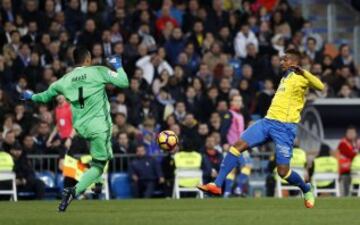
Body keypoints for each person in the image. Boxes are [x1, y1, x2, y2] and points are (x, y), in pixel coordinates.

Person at [198, 49, 324, 208]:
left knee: (283, 172)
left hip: (285, 129)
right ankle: (216, 185)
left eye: (285, 59)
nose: (281, 62)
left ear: (294, 62)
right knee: (236, 146)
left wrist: (303, 71)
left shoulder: (301, 78)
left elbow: (320, 86)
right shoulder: (285, 78)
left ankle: (306, 188)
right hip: (267, 122)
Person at [20, 47, 129, 211]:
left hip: (80, 128)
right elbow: (124, 82)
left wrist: (30, 97)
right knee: (100, 163)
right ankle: (74, 191)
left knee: (102, 156)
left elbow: (43, 97)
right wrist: (118, 65)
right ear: (88, 59)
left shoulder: (63, 81)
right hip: (100, 125)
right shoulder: (98, 71)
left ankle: (97, 184)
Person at [336, 126, 359, 196]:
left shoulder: (355, 143)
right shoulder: (343, 143)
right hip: (345, 171)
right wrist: (357, 150)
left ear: (356, 134)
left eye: (353, 133)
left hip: (354, 170)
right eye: (349, 133)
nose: (351, 134)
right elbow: (350, 154)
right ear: (346, 133)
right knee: (345, 192)